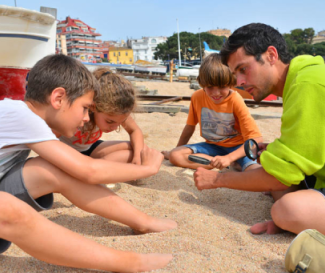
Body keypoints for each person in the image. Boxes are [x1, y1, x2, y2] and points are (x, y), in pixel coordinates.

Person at [0, 54, 176, 272]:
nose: (86, 118)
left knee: (52, 169)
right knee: (8, 210)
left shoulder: (24, 117)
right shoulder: (20, 115)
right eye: (84, 108)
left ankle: (142, 221)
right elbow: (88, 170)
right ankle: (126, 263)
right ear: (58, 98)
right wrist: (146, 168)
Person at [194, 23, 325, 236]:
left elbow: (280, 177)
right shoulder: (299, 79)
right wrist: (275, 151)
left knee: (288, 209)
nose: (239, 82)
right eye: (235, 74)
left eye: (243, 69)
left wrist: (217, 180)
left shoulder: (308, 84)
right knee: (274, 177)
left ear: (271, 55)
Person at [163, 53, 262, 171]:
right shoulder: (197, 97)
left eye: (222, 87)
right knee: (175, 155)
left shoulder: (235, 100)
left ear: (231, 83)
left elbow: (257, 139)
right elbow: (190, 127)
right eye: (210, 87)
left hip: (237, 149)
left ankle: (230, 162)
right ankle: (223, 163)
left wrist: (230, 157)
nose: (216, 93)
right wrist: (176, 149)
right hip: (212, 147)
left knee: (254, 170)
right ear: (202, 84)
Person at [60, 67, 144, 166]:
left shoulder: (117, 112)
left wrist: (137, 157)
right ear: (93, 106)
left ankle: (96, 165)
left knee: (138, 150)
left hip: (89, 149)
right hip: (65, 151)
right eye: (110, 122)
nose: (115, 127)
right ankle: (95, 165)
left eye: (120, 122)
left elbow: (135, 130)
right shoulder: (79, 112)